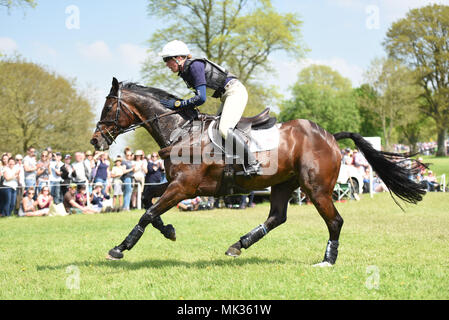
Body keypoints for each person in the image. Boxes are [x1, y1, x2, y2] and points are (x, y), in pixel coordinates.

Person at [158, 40, 262, 176]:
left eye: (167, 60)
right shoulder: (186, 72)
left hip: (234, 92)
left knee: (224, 129)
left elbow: (201, 98)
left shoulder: (194, 66)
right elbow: (198, 97)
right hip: (226, 96)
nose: (166, 64)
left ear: (178, 58)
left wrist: (179, 104)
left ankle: (253, 164)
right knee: (213, 130)